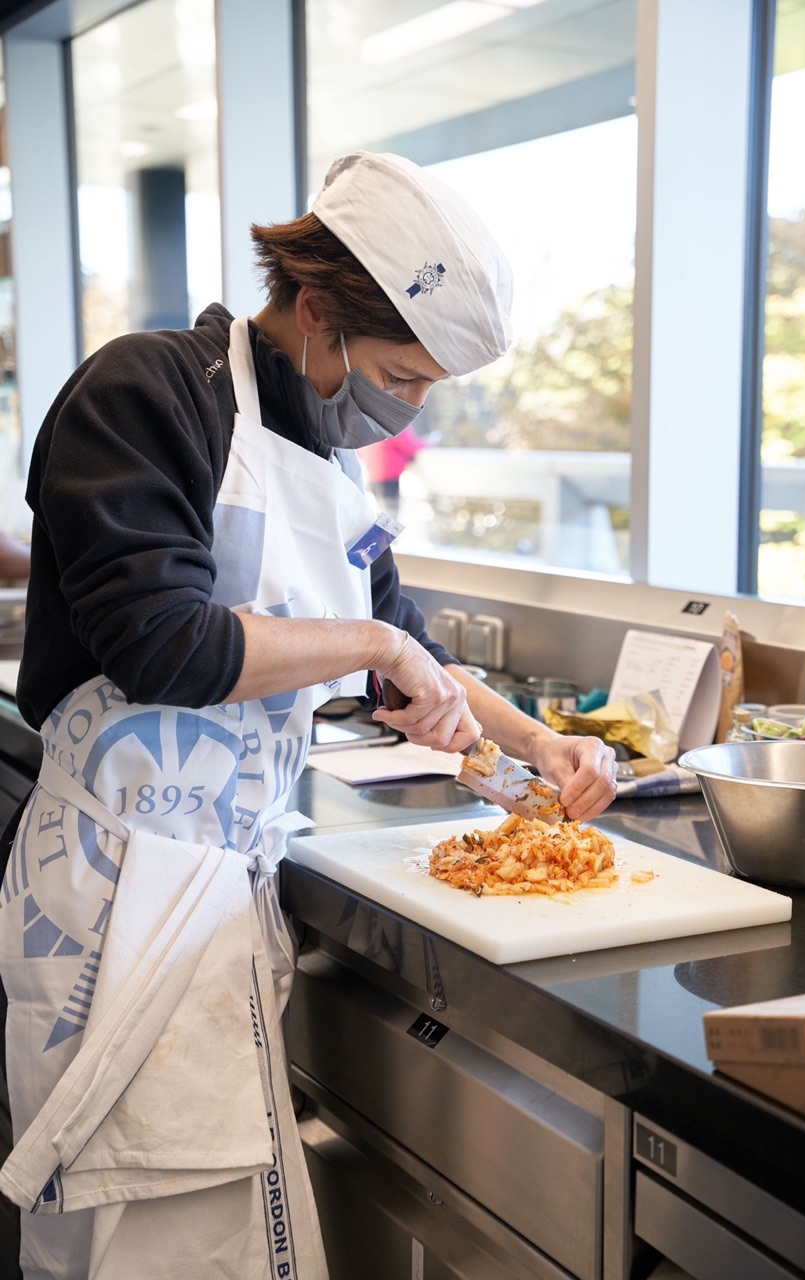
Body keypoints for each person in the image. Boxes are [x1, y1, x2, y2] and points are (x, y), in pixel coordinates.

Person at [0, 150, 617, 1280]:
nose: (404, 406)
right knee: (128, 1231)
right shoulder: (143, 392)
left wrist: (533, 741)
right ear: (320, 311)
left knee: (213, 1229)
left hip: (219, 892)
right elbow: (165, 641)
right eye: (403, 375)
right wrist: (376, 647)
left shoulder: (327, 465)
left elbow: (406, 642)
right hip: (113, 893)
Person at [359, 420, 426, 516]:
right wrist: (428, 442)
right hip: (388, 477)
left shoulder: (373, 423)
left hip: (373, 476)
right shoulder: (396, 425)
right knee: (390, 517)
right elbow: (410, 447)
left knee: (382, 515)